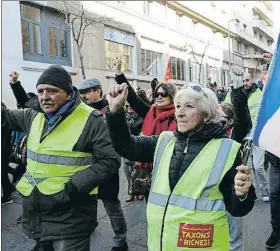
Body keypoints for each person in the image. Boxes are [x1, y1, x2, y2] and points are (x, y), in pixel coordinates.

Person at [106, 82, 256, 251]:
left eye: (189, 106)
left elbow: (237, 208)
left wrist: (243, 193)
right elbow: (127, 146)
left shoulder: (226, 149)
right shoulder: (164, 140)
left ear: (206, 115)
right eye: (178, 106)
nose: (180, 113)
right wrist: (115, 112)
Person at [1, 65, 119, 251]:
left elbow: (109, 162)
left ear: (69, 94)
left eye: (52, 91)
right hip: (39, 214)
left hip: (71, 218)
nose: (44, 96)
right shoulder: (33, 116)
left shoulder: (91, 120)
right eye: (40, 91)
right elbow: (4, 117)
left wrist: (72, 187)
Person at [114, 60, 177, 202]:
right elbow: (133, 99)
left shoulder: (178, 116)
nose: (159, 96)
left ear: (172, 96)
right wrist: (119, 75)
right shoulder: (151, 112)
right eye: (157, 94)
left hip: (165, 167)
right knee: (150, 203)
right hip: (145, 166)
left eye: (164, 94)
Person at [77, 78, 129, 251]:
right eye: (81, 93)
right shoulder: (79, 111)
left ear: (98, 90)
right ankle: (87, 229)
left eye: (87, 92)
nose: (83, 96)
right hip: (86, 167)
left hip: (107, 166)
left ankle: (120, 241)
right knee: (85, 205)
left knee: (112, 206)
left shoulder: (112, 109)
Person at [220, 69, 253, 251]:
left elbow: (241, 109)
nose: (219, 122)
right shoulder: (207, 133)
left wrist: (238, 84)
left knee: (234, 232)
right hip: (214, 187)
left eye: (224, 119)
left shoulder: (236, 132)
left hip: (234, 186)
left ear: (232, 121)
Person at [242, 72, 270, 202]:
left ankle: (264, 187)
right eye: (242, 80)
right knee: (247, 168)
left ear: (252, 80)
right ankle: (251, 191)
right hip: (243, 138)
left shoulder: (259, 95)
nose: (244, 83)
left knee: (258, 166)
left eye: (247, 80)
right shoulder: (236, 94)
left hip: (257, 136)